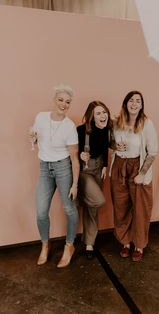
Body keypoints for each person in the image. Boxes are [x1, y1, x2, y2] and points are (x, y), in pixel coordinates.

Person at [29, 84, 79, 268]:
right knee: (41, 211)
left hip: (63, 168)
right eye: (60, 100)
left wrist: (75, 185)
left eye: (67, 102)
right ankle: (45, 245)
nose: (64, 104)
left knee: (69, 208)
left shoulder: (70, 127)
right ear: (54, 100)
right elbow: (35, 136)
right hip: (44, 168)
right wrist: (32, 137)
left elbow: (74, 158)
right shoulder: (41, 117)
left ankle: (69, 246)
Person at [110, 91, 157, 262]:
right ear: (125, 103)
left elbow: (152, 152)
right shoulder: (117, 121)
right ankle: (126, 242)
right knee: (121, 206)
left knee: (140, 208)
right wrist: (116, 146)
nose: (134, 104)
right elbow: (111, 142)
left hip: (138, 167)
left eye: (138, 101)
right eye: (131, 100)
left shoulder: (146, 123)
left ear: (142, 105)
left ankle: (139, 245)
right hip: (119, 167)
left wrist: (142, 174)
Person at [77, 101, 112, 259]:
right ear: (91, 116)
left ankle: (89, 242)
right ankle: (80, 199)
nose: (102, 115)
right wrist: (79, 154)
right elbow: (69, 150)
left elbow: (105, 148)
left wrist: (105, 165)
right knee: (97, 200)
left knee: (92, 208)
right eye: (98, 113)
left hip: (99, 169)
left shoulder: (107, 130)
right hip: (85, 170)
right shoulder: (81, 130)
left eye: (104, 112)